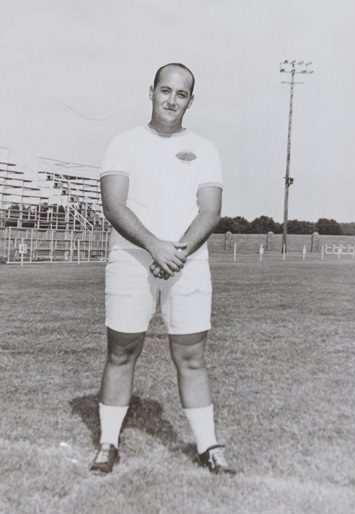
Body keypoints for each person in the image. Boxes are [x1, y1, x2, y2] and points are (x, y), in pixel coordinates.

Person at [90, 63, 235, 475]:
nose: (171, 100)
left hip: (187, 264)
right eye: (165, 90)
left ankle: (209, 446)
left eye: (181, 94)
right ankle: (107, 443)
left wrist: (177, 253)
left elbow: (210, 210)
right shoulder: (123, 143)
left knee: (191, 356)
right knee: (121, 352)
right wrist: (154, 245)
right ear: (151, 91)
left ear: (191, 99)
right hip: (131, 260)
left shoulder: (205, 149)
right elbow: (114, 205)